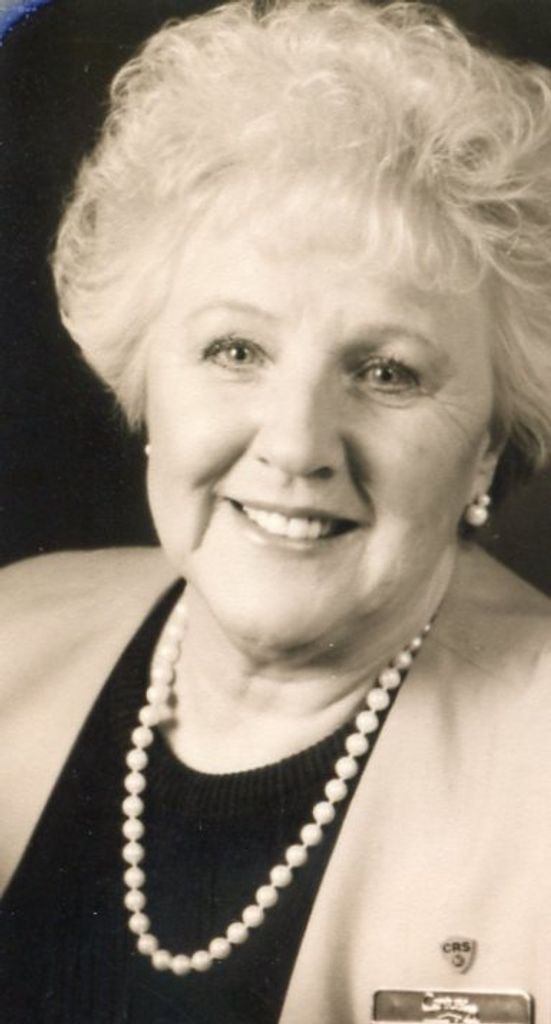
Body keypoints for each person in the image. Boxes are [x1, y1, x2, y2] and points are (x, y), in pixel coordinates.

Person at [1, 0, 550, 1021]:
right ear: (146, 383)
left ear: (485, 443)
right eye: (235, 350)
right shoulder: (11, 633)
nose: (296, 445)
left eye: (387, 372)